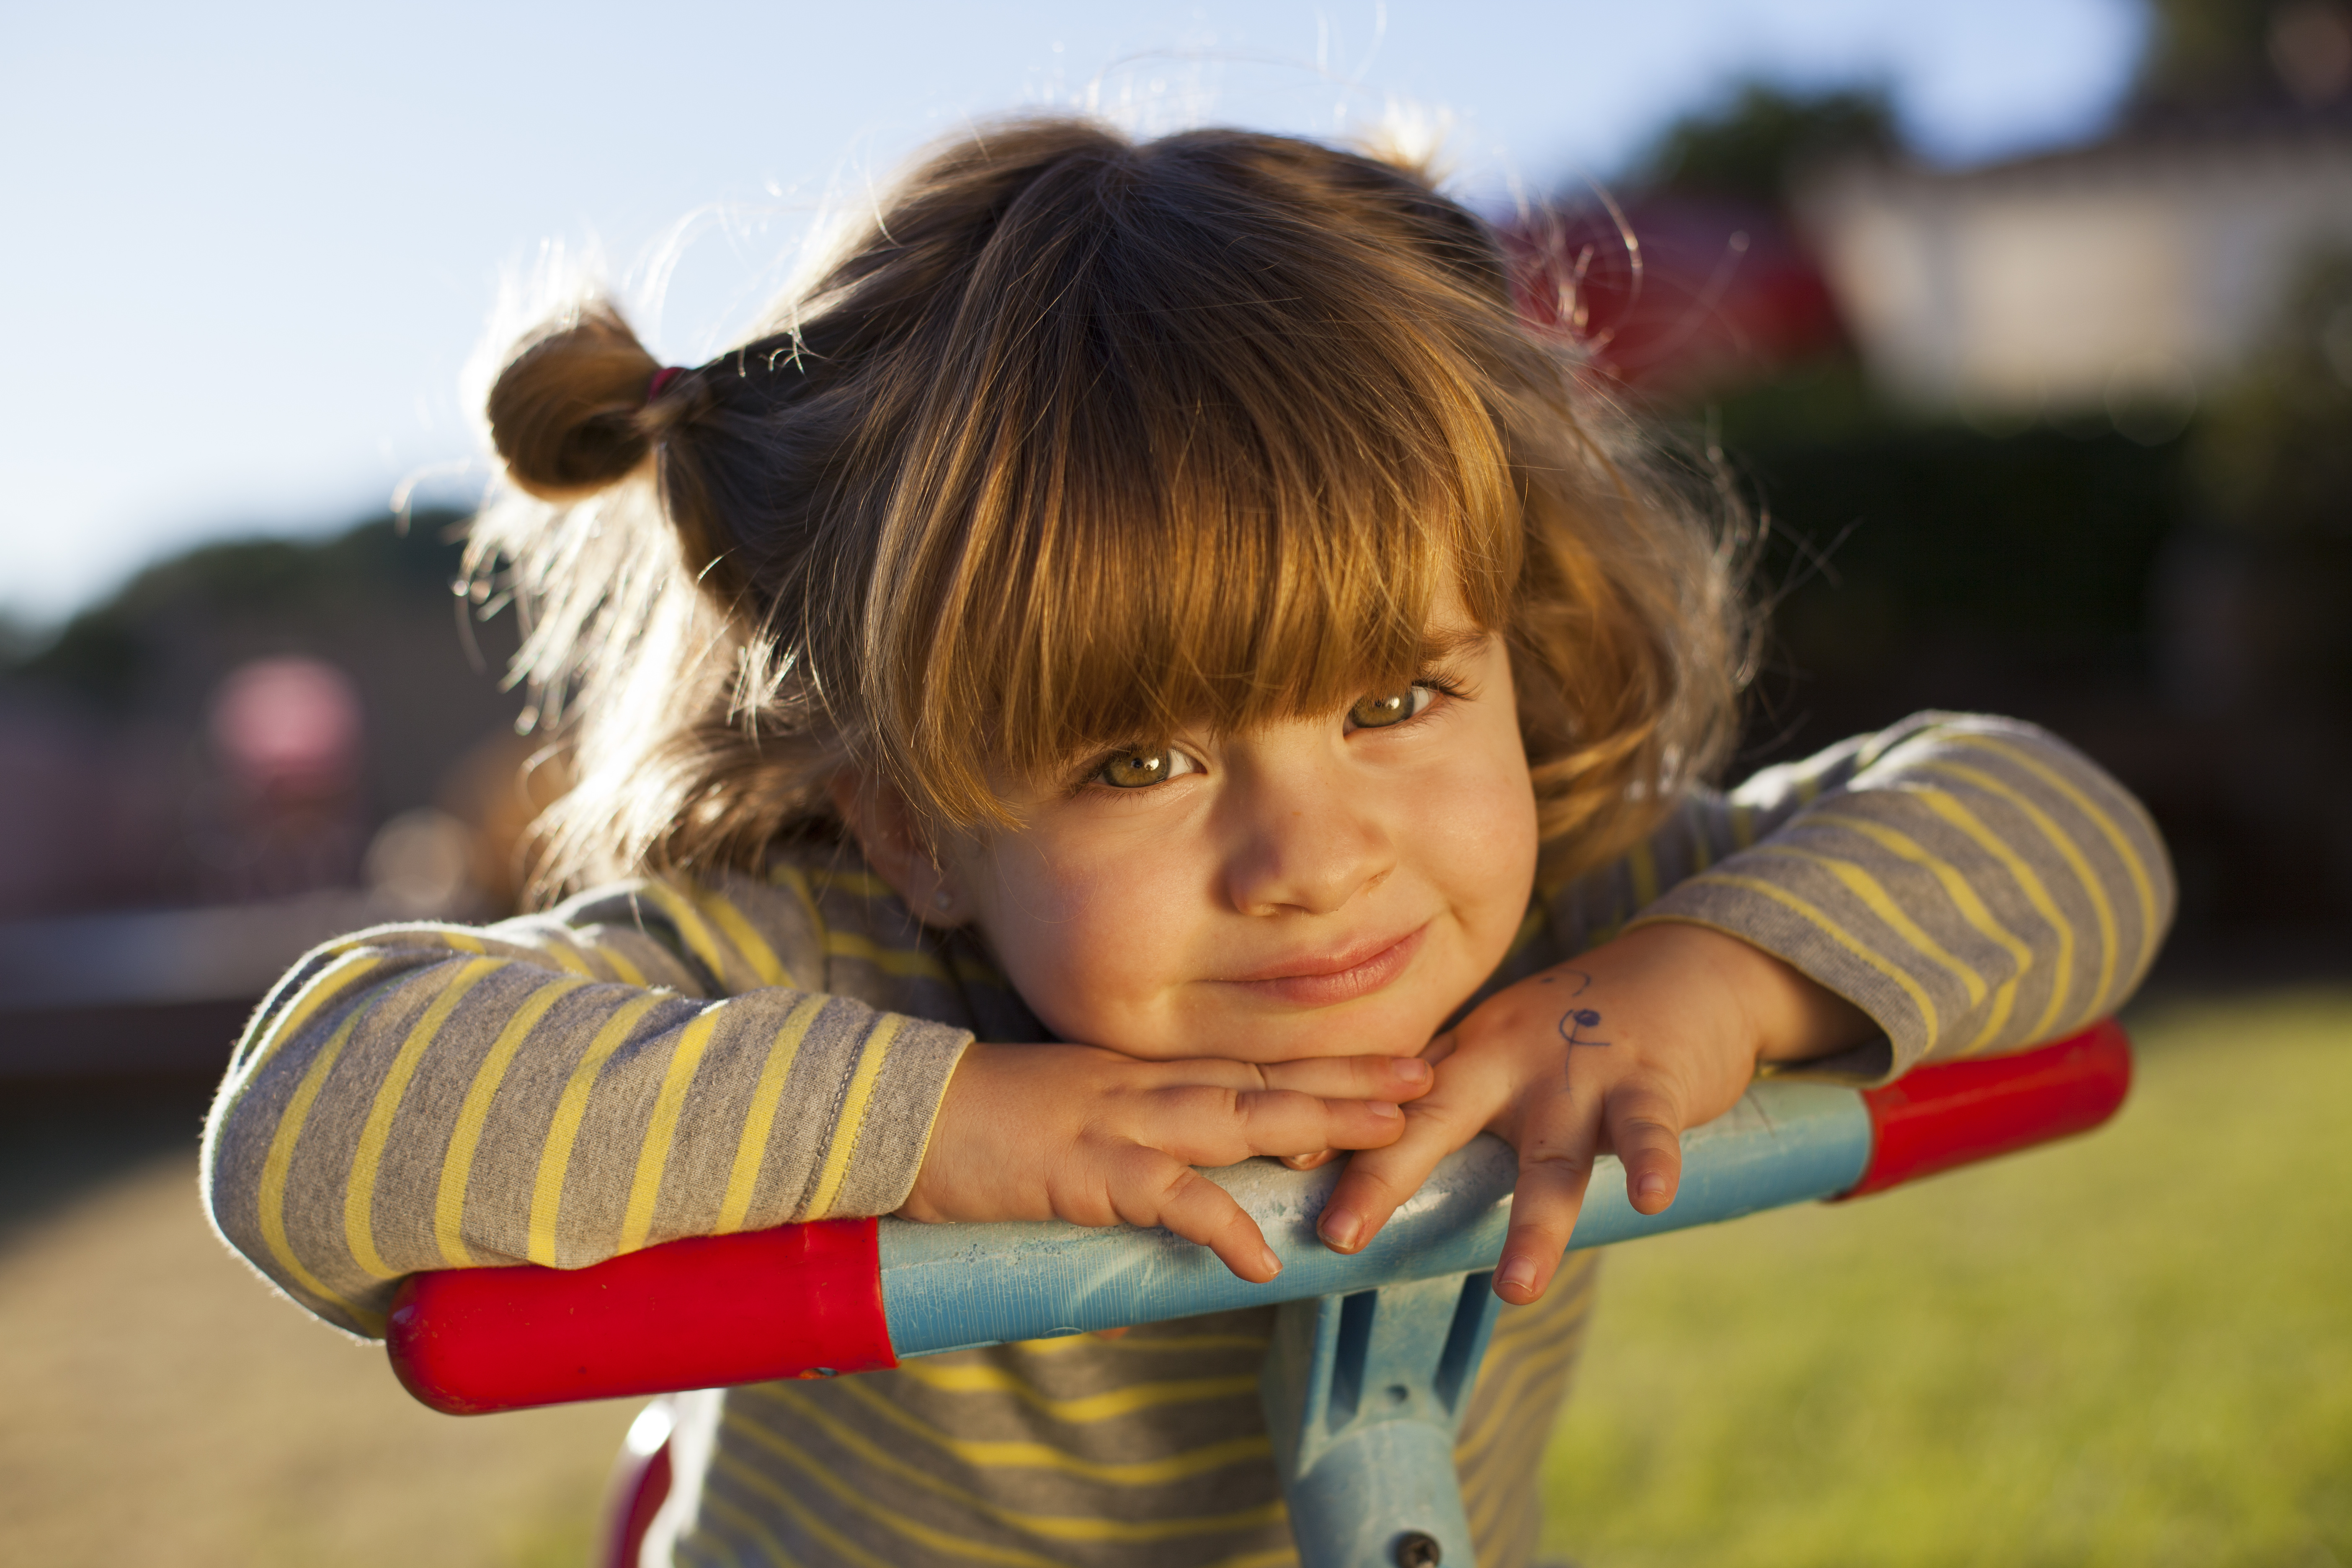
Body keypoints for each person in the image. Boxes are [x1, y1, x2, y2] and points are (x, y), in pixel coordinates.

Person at [202, 118, 2172, 1568]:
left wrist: (1720, 981)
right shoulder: (817, 963)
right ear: (909, 817)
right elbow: (316, 1125)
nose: (1316, 856)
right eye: (1136, 759)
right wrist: (954, 1125)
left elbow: (2071, 841)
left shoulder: (1564, 938)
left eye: (1399, 700)